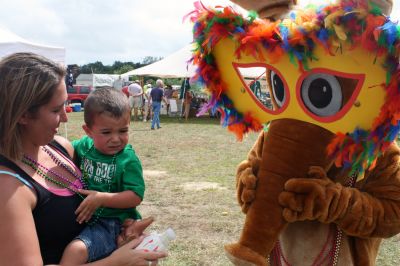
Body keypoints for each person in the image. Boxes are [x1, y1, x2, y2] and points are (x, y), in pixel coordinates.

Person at [0, 52, 166, 265]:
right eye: (55, 109)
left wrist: (121, 229)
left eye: (65, 104)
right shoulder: (8, 188)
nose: (66, 116)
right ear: (23, 114)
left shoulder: (62, 147)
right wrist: (115, 262)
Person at [60, 87, 146, 264]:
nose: (116, 139)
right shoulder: (83, 146)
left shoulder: (127, 160)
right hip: (86, 218)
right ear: (88, 131)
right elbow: (61, 151)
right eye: (106, 132)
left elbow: (135, 196)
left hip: (111, 223)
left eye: (123, 131)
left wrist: (102, 198)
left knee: (75, 251)